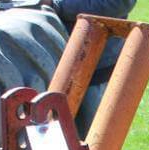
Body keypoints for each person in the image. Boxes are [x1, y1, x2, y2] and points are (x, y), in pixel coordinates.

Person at [39, 0, 137, 134]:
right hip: (43, 58)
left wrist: (56, 5)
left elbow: (117, 3)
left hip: (93, 66)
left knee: (90, 136)